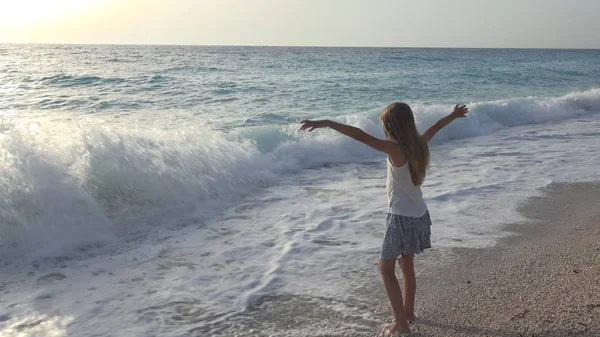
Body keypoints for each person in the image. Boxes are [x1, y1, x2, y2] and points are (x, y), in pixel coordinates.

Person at [300, 102, 469, 335]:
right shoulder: (418, 144)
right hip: (419, 214)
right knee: (406, 264)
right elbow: (436, 127)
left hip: (400, 217)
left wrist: (327, 123)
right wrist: (453, 115)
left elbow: (360, 135)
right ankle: (408, 313)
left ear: (391, 126)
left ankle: (401, 326)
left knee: (385, 269)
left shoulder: (395, 149)